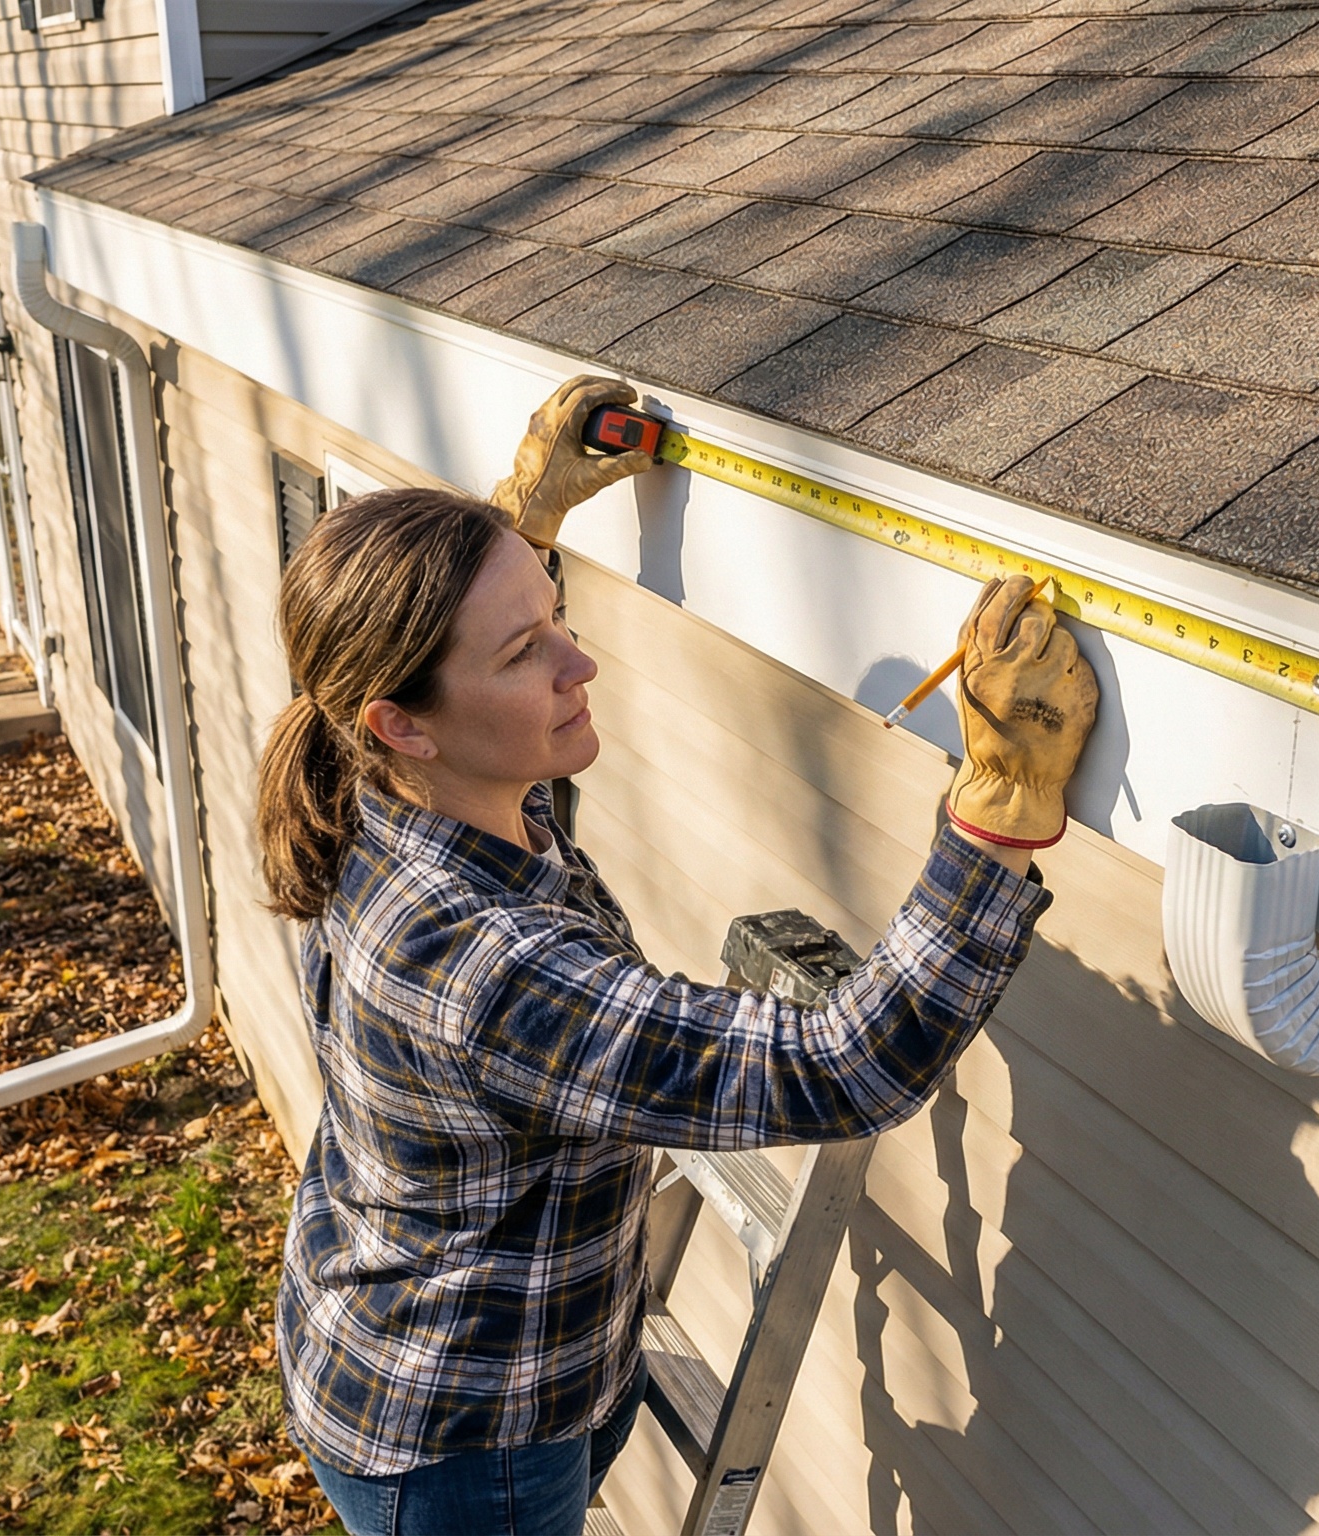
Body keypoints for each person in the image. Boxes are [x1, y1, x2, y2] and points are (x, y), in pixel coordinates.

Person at [256, 377, 1099, 1536]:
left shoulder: (388, 786)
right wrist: (996, 816)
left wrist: (523, 525)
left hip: (495, 1349)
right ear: (402, 721)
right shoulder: (479, 961)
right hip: (464, 1435)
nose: (579, 663)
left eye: (553, 614)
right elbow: (836, 1070)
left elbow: (495, 738)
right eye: (525, 651)